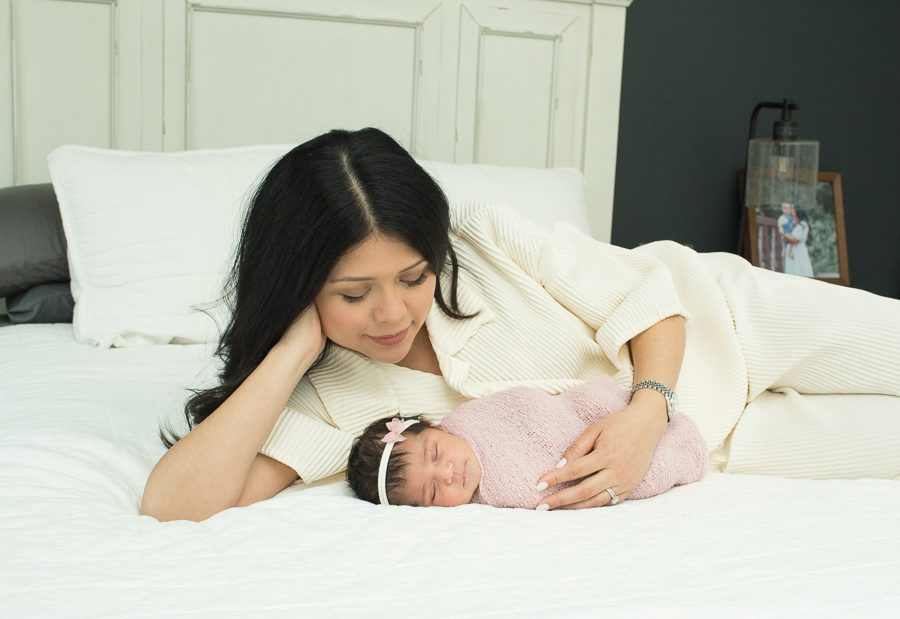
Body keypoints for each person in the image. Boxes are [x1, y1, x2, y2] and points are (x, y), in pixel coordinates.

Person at [140, 127, 900, 523]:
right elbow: (172, 507)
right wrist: (294, 346)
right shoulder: (331, 395)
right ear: (303, 287)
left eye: (412, 278)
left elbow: (648, 295)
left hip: (734, 323)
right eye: (352, 293)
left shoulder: (481, 235)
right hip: (722, 449)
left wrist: (645, 411)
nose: (394, 313)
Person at [345, 377, 707, 509]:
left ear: (435, 427)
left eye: (436, 454)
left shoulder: (472, 418)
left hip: (617, 404)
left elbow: (530, 406)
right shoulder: (495, 492)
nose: (449, 473)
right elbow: (545, 486)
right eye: (433, 491)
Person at [782, 208, 814, 277]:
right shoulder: (795, 223)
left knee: (800, 269)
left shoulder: (803, 224)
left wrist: (784, 235)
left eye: (793, 209)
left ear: (798, 212)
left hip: (798, 251)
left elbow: (796, 240)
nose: (791, 211)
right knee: (794, 270)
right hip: (794, 251)